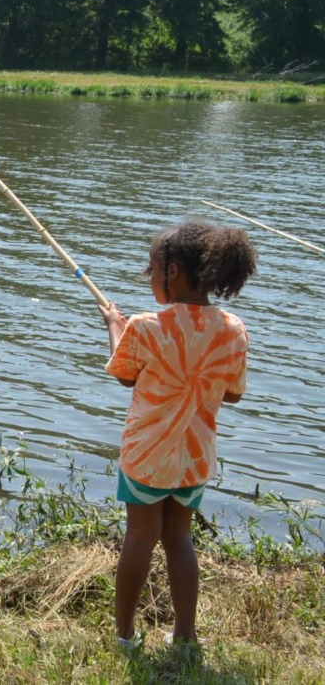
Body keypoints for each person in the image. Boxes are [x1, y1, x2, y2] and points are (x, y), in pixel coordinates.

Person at [100, 219, 257, 655]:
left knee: (138, 538)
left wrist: (114, 323)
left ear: (172, 273)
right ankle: (186, 638)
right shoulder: (234, 329)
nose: (148, 278)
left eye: (150, 269)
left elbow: (125, 375)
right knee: (179, 539)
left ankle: (125, 638)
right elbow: (235, 394)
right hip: (193, 457)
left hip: (147, 455)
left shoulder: (146, 326)